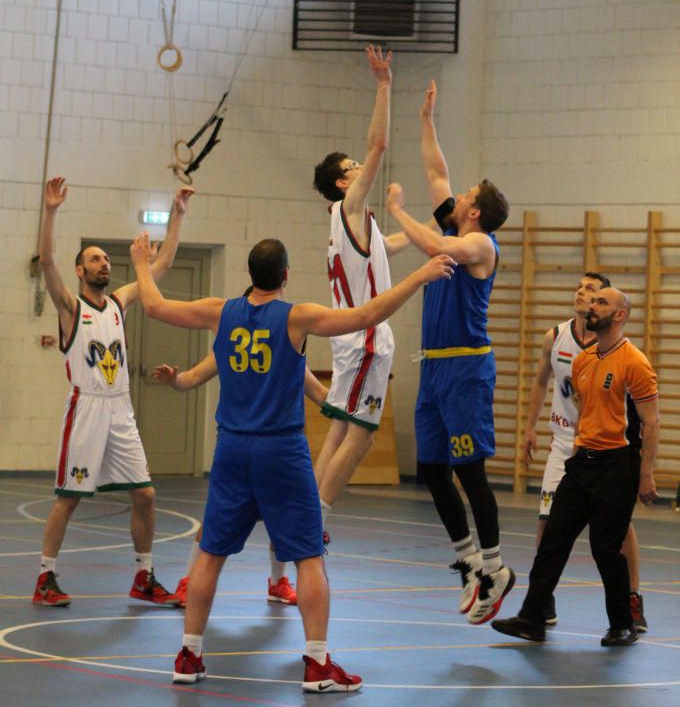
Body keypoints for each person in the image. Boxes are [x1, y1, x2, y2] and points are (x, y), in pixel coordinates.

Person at [130, 233, 454, 690]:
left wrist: (142, 265)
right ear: (285, 275)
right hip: (280, 450)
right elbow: (367, 315)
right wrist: (419, 275)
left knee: (210, 554)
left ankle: (189, 655)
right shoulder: (296, 317)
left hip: (232, 449)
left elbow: (154, 306)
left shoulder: (221, 312)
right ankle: (318, 664)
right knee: (308, 556)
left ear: (250, 274)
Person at [385, 79, 512, 625]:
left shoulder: (479, 244)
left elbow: (437, 245)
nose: (456, 195)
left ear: (475, 212)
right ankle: (468, 561)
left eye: (466, 196)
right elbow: (437, 172)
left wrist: (397, 212)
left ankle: (496, 568)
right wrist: (426, 120)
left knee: (470, 470)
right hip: (434, 368)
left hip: (466, 367)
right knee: (432, 470)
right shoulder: (454, 222)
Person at [34, 176, 194, 607]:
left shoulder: (120, 302)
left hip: (120, 409)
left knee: (145, 494)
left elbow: (162, 265)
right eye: (95, 259)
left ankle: (144, 576)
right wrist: (50, 211)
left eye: (106, 258)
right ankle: (45, 577)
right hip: (86, 408)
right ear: (80, 271)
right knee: (69, 499)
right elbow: (46, 259)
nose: (104, 263)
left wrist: (178, 216)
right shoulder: (71, 307)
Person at [492, 287, 659, 647]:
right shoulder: (583, 361)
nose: (591, 306)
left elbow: (651, 422)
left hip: (618, 466)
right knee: (553, 539)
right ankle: (532, 619)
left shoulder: (635, 362)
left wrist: (645, 474)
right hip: (582, 463)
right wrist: (577, 451)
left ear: (620, 315)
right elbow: (585, 413)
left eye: (601, 302)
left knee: (605, 547)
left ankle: (622, 624)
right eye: (592, 301)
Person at [312, 45, 423, 542]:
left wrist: (430, 229)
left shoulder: (351, 223)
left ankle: (307, 514)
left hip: (351, 338)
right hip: (366, 336)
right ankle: (315, 520)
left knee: (340, 428)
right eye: (353, 165)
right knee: (361, 437)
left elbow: (390, 245)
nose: (363, 166)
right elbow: (378, 145)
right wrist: (384, 85)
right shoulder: (350, 207)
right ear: (343, 182)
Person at [153, 348, 329, 608]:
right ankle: (189, 583)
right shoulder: (232, 340)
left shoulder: (287, 346)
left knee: (281, 518)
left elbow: (321, 395)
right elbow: (191, 377)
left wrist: (354, 405)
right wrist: (175, 380)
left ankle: (278, 583)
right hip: (238, 449)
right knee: (215, 520)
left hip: (278, 450)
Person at [522, 272, 647, 630]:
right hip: (566, 442)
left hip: (608, 451)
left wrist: (644, 469)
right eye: (580, 288)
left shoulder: (618, 350)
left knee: (615, 532)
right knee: (549, 524)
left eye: (592, 291)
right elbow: (541, 381)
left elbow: (646, 417)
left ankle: (632, 600)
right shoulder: (557, 337)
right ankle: (540, 602)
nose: (583, 295)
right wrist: (530, 428)